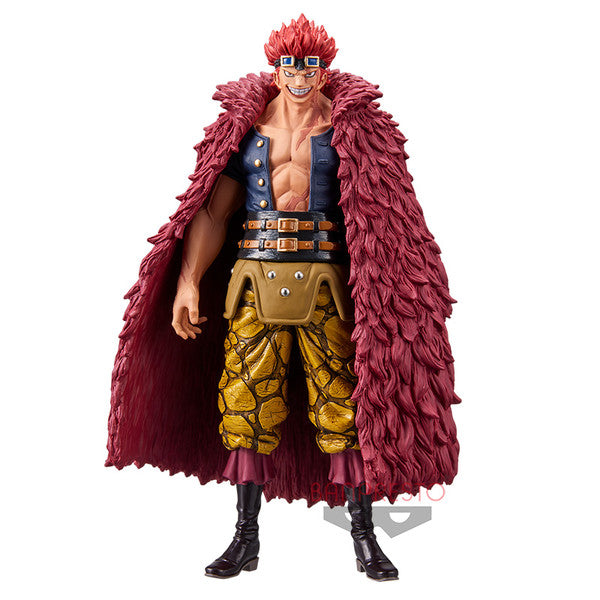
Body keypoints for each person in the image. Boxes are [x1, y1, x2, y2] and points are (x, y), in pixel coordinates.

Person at [106, 14, 460, 582]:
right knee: (245, 403)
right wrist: (190, 281)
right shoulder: (245, 131)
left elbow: (386, 215)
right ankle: (245, 537)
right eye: (290, 64)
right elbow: (214, 212)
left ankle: (364, 535)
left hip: (328, 288)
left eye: (311, 65)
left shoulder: (351, 131)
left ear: (324, 69)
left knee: (345, 404)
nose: (300, 75)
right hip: (254, 281)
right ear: (275, 69)